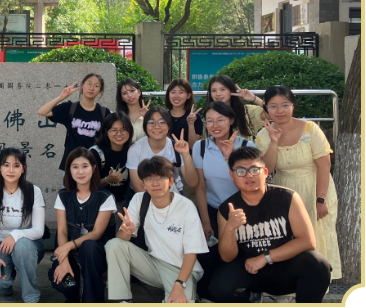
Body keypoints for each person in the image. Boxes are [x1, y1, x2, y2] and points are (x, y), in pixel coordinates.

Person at [209, 147, 332, 303]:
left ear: (265, 172)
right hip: (248, 267)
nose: (249, 175)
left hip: (283, 264)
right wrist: (230, 228)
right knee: (219, 288)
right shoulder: (227, 208)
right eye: (241, 171)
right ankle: (252, 299)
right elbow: (227, 257)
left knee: (318, 264)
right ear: (232, 176)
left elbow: (307, 241)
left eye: (254, 170)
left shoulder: (287, 197)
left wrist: (265, 257)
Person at [255, 85, 341, 279]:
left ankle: (319, 282)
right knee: (289, 237)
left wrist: (321, 199)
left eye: (285, 105)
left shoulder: (310, 129)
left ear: (293, 106)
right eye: (273, 106)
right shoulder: (263, 135)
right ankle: (291, 285)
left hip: (315, 187)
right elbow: (267, 169)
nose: (280, 110)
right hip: (285, 191)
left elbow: (324, 165)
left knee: (318, 236)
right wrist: (274, 142)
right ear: (266, 109)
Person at [105, 156, 209, 303]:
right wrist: (126, 232)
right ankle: (122, 300)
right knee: (114, 245)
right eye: (149, 179)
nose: (155, 183)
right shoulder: (139, 199)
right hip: (152, 264)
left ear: (171, 181)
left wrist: (179, 284)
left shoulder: (186, 207)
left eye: (160, 178)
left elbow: (192, 252)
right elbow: (120, 239)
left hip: (180, 270)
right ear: (143, 184)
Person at [191, 101, 255, 300]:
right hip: (212, 209)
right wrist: (205, 221)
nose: (215, 125)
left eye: (220, 120)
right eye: (210, 121)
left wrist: (229, 157)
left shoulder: (247, 146)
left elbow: (249, 184)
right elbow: (200, 187)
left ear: (231, 121)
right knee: (208, 256)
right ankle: (207, 296)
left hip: (243, 211)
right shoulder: (201, 147)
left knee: (238, 257)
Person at [49, 147, 115, 303]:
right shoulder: (63, 196)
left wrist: (69, 245)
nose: (80, 171)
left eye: (85, 166)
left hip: (94, 256)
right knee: (64, 282)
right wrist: (64, 260)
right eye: (75, 167)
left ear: (93, 168)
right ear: (69, 170)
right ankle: (72, 296)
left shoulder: (105, 197)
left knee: (88, 246)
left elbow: (96, 233)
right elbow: (62, 231)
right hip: (69, 256)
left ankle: (92, 300)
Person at [0, 147, 45, 303]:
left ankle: (31, 296)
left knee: (22, 246)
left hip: (28, 245)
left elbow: (39, 230)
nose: (11, 170)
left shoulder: (33, 191)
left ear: (23, 168)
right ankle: (8, 275)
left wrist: (15, 235)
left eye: (16, 165)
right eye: (6, 165)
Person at [37, 73, 111, 175]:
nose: (92, 88)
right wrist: (61, 97)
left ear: (100, 91)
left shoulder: (104, 112)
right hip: (71, 165)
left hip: (93, 166)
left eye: (96, 86)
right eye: (89, 83)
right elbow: (42, 112)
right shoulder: (70, 108)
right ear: (82, 85)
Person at [126, 106, 197, 194]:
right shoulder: (135, 149)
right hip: (144, 195)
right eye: (151, 122)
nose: (156, 126)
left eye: (162, 122)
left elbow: (193, 182)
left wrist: (185, 154)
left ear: (169, 126)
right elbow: (138, 188)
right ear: (145, 126)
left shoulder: (177, 148)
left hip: (173, 193)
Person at [90, 112, 133, 209]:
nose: (119, 134)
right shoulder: (96, 153)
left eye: (124, 129)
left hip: (123, 203)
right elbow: (87, 184)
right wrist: (107, 180)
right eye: (114, 130)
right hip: (98, 203)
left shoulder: (132, 151)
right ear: (106, 131)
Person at [205, 75, 266, 140]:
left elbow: (271, 114)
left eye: (223, 89)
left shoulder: (246, 111)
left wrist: (254, 99)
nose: (218, 94)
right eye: (213, 91)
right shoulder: (208, 114)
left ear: (231, 90)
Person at [165, 79, 202, 148]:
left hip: (187, 154)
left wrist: (191, 124)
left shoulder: (195, 117)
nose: (176, 96)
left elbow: (194, 147)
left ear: (188, 95)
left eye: (181, 92)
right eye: (173, 92)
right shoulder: (163, 116)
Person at [116, 78, 150, 142]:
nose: (129, 95)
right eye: (124, 93)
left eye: (132, 91)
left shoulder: (149, 114)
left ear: (139, 92)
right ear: (122, 98)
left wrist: (148, 118)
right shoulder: (119, 117)